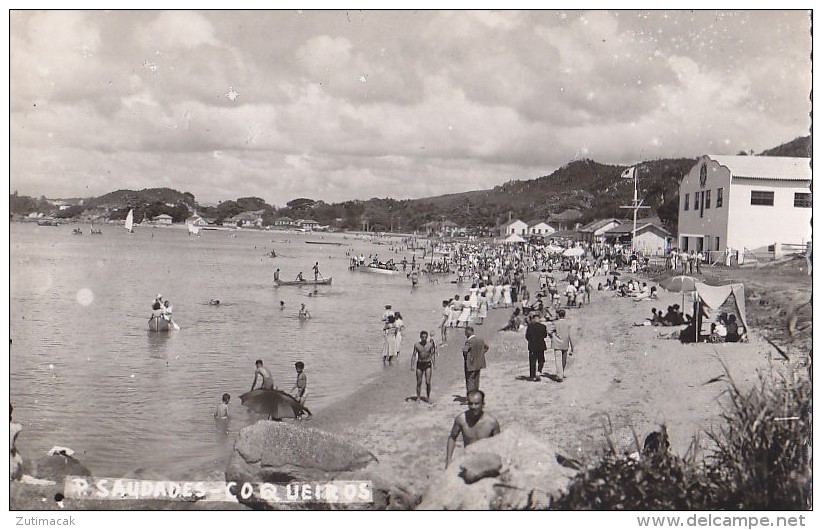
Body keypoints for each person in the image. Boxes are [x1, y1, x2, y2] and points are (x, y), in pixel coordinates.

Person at [445, 390, 500, 468]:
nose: (473, 407)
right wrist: (448, 460)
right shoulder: (461, 419)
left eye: (476, 404)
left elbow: (499, 443)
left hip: (486, 461)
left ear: (483, 404)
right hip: (468, 460)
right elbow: (452, 437)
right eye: (470, 403)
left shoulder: (491, 422)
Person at [462, 326, 488, 397]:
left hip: (471, 364)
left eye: (465, 333)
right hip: (479, 363)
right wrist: (481, 354)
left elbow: (465, 351)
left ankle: (470, 396)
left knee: (470, 380)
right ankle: (476, 394)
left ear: (468, 332)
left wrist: (466, 358)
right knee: (476, 380)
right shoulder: (480, 339)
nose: (465, 334)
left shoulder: (469, 341)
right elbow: (486, 347)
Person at [410, 330, 437, 402]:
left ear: (427, 337)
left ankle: (428, 397)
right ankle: (418, 397)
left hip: (428, 364)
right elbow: (413, 355)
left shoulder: (430, 345)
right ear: (420, 337)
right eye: (422, 337)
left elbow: (432, 355)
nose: (424, 338)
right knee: (419, 382)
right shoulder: (417, 345)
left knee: (428, 382)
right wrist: (412, 365)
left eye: (425, 337)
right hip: (419, 364)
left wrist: (434, 364)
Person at [549, 309, 573, 382]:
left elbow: (549, 331)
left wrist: (553, 336)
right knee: (564, 359)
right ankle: (562, 372)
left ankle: (560, 374)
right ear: (564, 315)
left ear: (558, 315)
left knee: (558, 359)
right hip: (565, 342)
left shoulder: (555, 323)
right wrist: (572, 346)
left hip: (557, 343)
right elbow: (571, 335)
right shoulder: (568, 323)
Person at [525, 312, 548, 381]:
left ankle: (532, 376)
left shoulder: (530, 326)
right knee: (541, 360)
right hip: (541, 346)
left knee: (532, 361)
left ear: (534, 319)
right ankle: (539, 370)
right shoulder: (543, 326)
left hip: (532, 346)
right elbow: (545, 336)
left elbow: (527, 336)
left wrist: (531, 341)